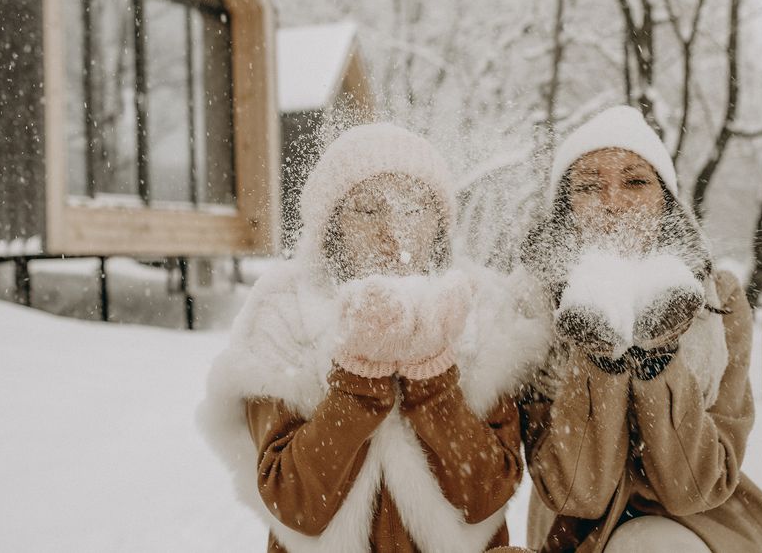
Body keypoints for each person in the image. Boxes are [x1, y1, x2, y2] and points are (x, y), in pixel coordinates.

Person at [198, 123, 548, 553]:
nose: (392, 231)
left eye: (415, 208)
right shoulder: (285, 312)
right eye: (366, 210)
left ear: (440, 222)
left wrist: (433, 377)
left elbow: (486, 495)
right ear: (332, 226)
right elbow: (296, 502)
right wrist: (358, 382)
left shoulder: (477, 308)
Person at [517, 106, 762, 552]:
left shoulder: (719, 300)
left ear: (666, 200)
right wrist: (601, 358)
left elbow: (695, 488)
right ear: (565, 209)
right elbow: (577, 493)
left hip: (704, 523)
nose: (613, 200)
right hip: (576, 531)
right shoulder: (530, 308)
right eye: (589, 186)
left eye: (636, 181)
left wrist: (656, 358)